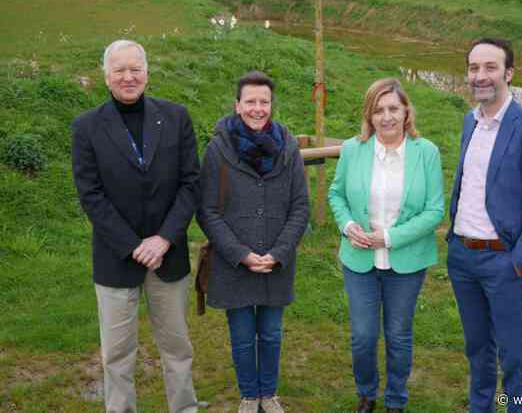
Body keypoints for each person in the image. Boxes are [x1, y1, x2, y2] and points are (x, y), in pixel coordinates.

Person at [71, 40, 200, 412]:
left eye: (135, 68)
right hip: (116, 258)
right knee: (117, 353)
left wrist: (163, 239)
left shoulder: (176, 117)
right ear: (105, 75)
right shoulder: (86, 127)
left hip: (168, 255)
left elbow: (191, 183)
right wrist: (133, 245)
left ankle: (184, 408)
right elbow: (91, 195)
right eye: (119, 70)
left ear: (147, 71)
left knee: (177, 347)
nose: (128, 77)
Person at [447, 38, 522, 413]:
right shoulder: (470, 121)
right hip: (463, 258)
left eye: (490, 67)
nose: (480, 76)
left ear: (509, 73)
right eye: (473, 68)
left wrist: (519, 260)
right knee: (478, 350)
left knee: (514, 356)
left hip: (504, 262)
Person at [328, 78, 445, 413]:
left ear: (407, 111)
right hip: (359, 259)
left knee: (398, 335)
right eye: (378, 110)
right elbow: (336, 194)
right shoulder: (353, 149)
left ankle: (396, 400)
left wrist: (390, 238)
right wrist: (348, 225)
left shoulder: (427, 153)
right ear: (369, 115)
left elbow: (435, 209)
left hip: (406, 260)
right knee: (363, 336)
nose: (387, 116)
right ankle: (366, 394)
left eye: (393, 108)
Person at [196, 71, 309, 413]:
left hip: (277, 261)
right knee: (243, 335)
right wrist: (240, 254)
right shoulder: (218, 149)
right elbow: (208, 210)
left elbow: (300, 207)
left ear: (271, 105)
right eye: (251, 102)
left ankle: (268, 394)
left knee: (272, 333)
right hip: (236, 264)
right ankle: (249, 395)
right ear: (237, 105)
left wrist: (279, 252)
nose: (257, 109)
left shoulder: (288, 148)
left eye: (264, 102)